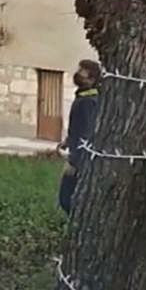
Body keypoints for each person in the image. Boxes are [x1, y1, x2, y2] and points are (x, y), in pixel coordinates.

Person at [57, 60, 101, 215]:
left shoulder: (89, 102)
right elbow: (79, 127)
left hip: (80, 161)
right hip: (80, 157)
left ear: (92, 79)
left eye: (83, 71)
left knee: (67, 199)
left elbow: (87, 133)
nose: (78, 73)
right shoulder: (83, 98)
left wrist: (74, 162)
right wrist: (68, 140)